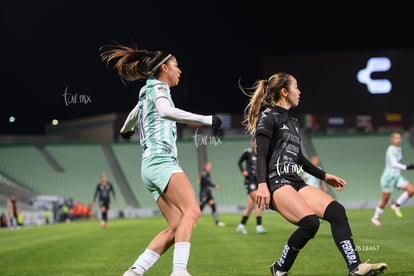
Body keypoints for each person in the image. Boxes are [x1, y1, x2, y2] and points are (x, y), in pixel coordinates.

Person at [241, 72, 387, 276]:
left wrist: (324, 176)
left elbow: (299, 157)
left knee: (337, 211)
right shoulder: (268, 116)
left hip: (295, 181)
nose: (299, 92)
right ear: (284, 91)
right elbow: (262, 153)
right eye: (296, 87)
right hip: (276, 183)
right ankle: (280, 268)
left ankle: (355, 267)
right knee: (310, 223)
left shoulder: (293, 122)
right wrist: (262, 185)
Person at [100, 43, 222, 276]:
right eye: (177, 66)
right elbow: (166, 111)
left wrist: (126, 129)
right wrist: (206, 119)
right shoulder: (159, 89)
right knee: (193, 211)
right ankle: (179, 271)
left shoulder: (146, 90)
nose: (180, 70)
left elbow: (134, 113)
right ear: (164, 68)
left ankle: (134, 271)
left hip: (148, 166)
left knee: (176, 226)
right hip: (161, 160)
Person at [371, 131, 414, 227]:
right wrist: (407, 167)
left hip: (397, 177)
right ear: (392, 140)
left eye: (399, 138)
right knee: (385, 200)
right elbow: (394, 163)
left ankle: (396, 205)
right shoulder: (391, 149)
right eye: (396, 138)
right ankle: (375, 218)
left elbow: (399, 162)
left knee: (411, 190)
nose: (399, 140)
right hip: (388, 178)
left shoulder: (399, 149)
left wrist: (406, 165)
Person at [236, 137, 266, 234]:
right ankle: (259, 226)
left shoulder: (261, 153)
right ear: (252, 142)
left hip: (258, 182)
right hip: (250, 182)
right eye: (256, 142)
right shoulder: (248, 152)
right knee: (259, 201)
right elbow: (239, 162)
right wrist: (243, 171)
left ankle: (241, 226)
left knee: (249, 207)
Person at [199, 161, 225, 227]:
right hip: (204, 194)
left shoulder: (207, 174)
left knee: (213, 205)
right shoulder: (204, 174)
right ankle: (191, 222)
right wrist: (215, 186)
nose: (211, 168)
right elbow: (206, 183)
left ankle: (217, 222)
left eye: (211, 166)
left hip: (208, 193)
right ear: (206, 167)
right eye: (209, 166)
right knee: (199, 209)